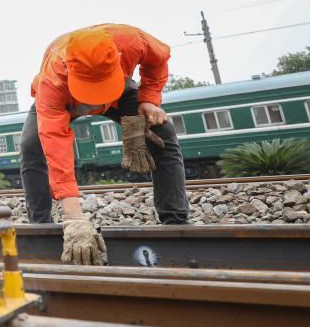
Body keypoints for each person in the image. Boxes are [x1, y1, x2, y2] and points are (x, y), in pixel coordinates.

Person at [20, 24, 191, 265]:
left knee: (163, 131)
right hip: (67, 95)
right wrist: (74, 216)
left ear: (118, 57)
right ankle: (41, 227)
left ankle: (175, 221)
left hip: (119, 90)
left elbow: (159, 59)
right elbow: (56, 145)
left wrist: (149, 100)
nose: (96, 100)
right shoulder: (53, 82)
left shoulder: (132, 41)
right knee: (31, 146)